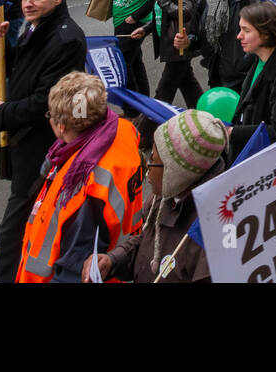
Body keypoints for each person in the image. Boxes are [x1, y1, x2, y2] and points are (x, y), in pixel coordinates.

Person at [0, 0, 87, 283]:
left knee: (10, 237)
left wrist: (2, 114)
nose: (28, 3)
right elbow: (20, 70)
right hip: (26, 144)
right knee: (38, 222)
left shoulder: (66, 38)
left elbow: (46, 101)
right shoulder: (36, 26)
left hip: (43, 147)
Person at [15, 73, 142, 283]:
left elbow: (74, 269)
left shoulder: (82, 185)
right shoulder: (121, 132)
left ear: (61, 126)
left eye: (50, 116)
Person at [89, 109, 228, 283]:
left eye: (153, 161)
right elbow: (148, 238)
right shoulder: (167, 194)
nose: (148, 167)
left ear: (176, 173)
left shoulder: (210, 238)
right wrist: (113, 260)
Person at [90, 0, 161, 110]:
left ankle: (132, 109)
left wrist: (135, 16)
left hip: (136, 22)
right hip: (119, 20)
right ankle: (144, 102)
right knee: (135, 61)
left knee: (123, 63)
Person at [228, 1, 276, 157]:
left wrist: (231, 132)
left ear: (266, 34)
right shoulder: (258, 59)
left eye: (246, 30)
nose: (239, 36)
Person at [181, 0, 257, 92]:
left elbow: (266, 31)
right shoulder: (203, 2)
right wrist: (187, 42)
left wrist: (246, 61)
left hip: (245, 76)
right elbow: (196, 36)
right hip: (217, 73)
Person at [150, 0, 201, 110]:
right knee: (189, 87)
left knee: (163, 93)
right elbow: (162, 16)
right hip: (173, 45)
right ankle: (205, 117)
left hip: (178, 44)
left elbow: (185, 13)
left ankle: (145, 132)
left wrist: (163, 0)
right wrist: (145, 29)